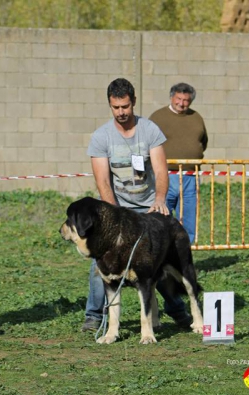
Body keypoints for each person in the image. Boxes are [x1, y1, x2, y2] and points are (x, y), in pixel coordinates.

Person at [82, 78, 193, 332]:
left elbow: (161, 171)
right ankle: (94, 315)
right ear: (110, 106)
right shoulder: (101, 137)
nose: (121, 112)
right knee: (101, 262)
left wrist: (160, 200)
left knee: (160, 259)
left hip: (148, 209)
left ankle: (176, 310)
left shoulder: (150, 130)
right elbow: (103, 183)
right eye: (115, 107)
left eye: (125, 107)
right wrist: (115, 219)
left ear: (133, 102)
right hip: (116, 209)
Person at [149, 83, 208, 243]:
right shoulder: (157, 117)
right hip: (165, 176)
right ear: (171, 97)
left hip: (190, 176)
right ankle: (161, 255)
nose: (181, 103)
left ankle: (184, 256)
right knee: (161, 218)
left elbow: (203, 141)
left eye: (186, 100)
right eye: (179, 99)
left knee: (189, 219)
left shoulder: (196, 118)